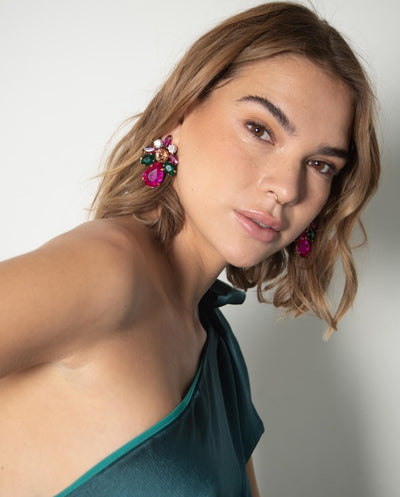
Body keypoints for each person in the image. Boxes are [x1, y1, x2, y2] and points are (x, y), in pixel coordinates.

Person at [0, 2, 380, 496]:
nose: (287, 188)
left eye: (321, 165)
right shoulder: (108, 271)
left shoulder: (216, 346)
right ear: (182, 111)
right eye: (260, 130)